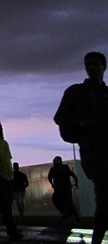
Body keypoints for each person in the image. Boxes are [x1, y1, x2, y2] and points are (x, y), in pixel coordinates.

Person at [54, 52, 108, 244]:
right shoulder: (76, 92)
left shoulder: (105, 94)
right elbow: (60, 117)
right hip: (93, 151)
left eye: (95, 64)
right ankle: (97, 239)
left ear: (104, 66)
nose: (91, 68)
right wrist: (84, 124)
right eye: (88, 64)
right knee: (104, 195)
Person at [48, 156, 79, 222]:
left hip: (59, 188)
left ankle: (66, 214)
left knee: (58, 201)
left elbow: (49, 177)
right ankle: (73, 215)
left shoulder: (53, 169)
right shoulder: (65, 167)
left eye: (54, 161)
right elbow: (73, 175)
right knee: (69, 202)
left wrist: (52, 184)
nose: (53, 162)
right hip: (66, 188)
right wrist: (76, 183)